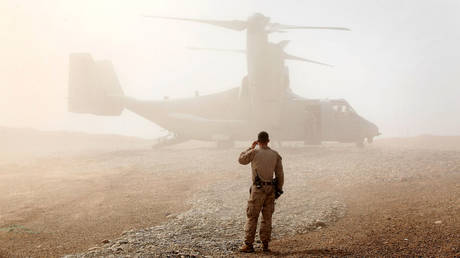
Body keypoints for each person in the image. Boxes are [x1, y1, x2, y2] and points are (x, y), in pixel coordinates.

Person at [238, 131, 284, 253]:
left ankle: (248, 245)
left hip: (257, 190)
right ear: (268, 141)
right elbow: (280, 174)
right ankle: (265, 245)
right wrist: (278, 189)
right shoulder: (275, 154)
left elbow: (241, 160)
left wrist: (251, 147)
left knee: (252, 217)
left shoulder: (254, 153)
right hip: (271, 190)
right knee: (267, 218)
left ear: (258, 141)